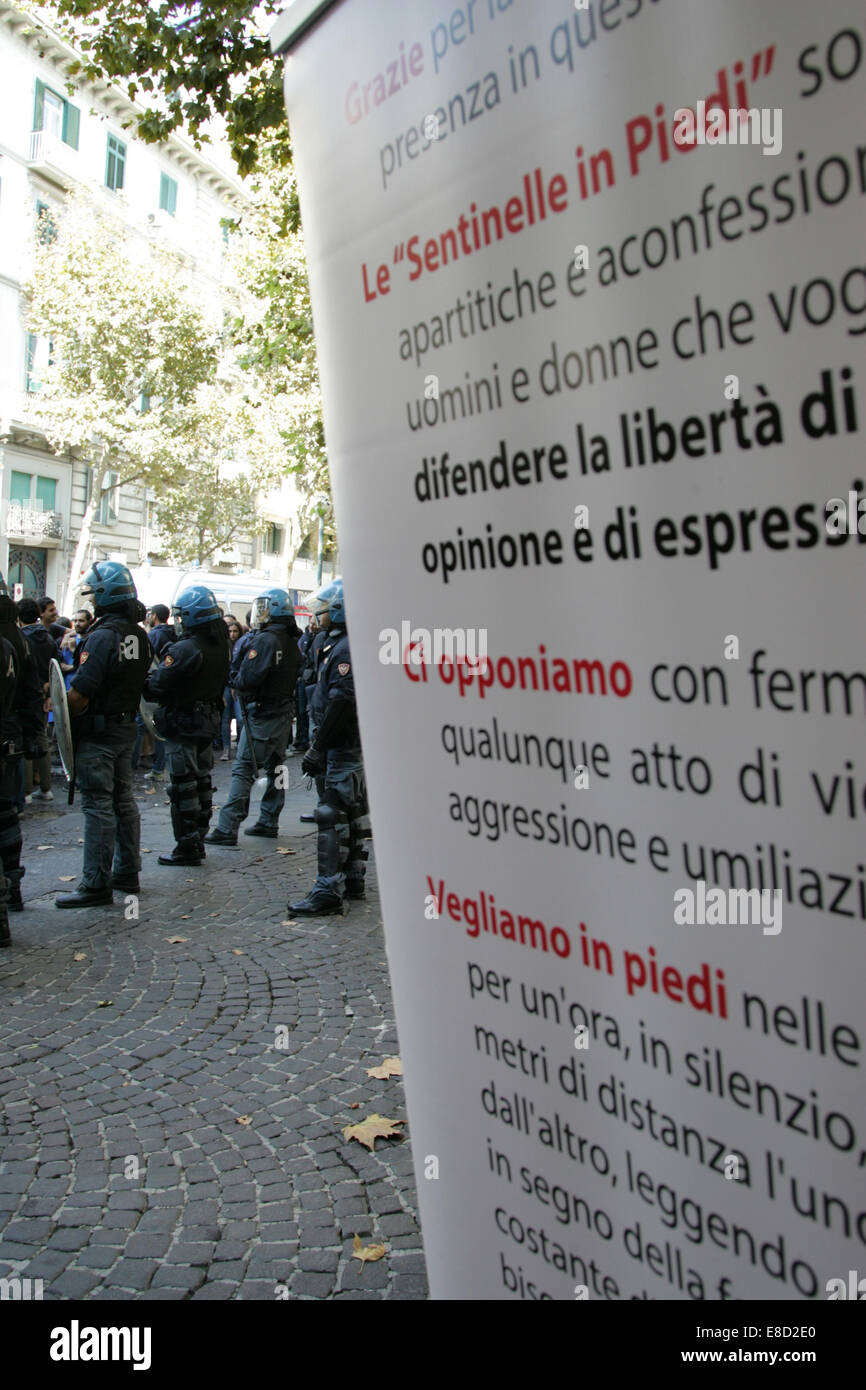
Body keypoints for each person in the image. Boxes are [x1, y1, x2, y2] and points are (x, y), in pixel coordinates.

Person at [55, 562, 151, 909]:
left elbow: (80, 695)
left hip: (99, 735)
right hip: (126, 730)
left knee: (98, 806)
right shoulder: (139, 634)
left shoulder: (100, 637)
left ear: (107, 594)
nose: (92, 600)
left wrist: (56, 706)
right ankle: (127, 873)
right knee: (124, 802)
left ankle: (96, 883)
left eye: (95, 593)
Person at [289, 579, 369, 915]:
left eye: (324, 607)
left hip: (340, 746)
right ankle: (353, 880)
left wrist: (318, 747)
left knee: (331, 813)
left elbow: (341, 701)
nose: (318, 612)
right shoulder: (341, 643)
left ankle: (327, 891)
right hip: (347, 744)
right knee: (352, 814)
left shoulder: (345, 647)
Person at [205, 589, 301, 845]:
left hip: (262, 714)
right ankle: (269, 819)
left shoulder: (265, 640)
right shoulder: (291, 640)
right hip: (281, 713)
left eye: (264, 608)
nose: (260, 614)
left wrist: (235, 679)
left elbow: (248, 677)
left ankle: (227, 827)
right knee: (277, 767)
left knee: (243, 769)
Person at [144, 585, 230, 866]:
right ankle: (199, 838)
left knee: (183, 787)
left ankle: (187, 845)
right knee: (202, 783)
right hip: (207, 723)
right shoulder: (220, 646)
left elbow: (158, 684)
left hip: (183, 724)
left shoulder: (186, 648)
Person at [0, 576, 44, 939]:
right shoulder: (19, 639)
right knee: (6, 818)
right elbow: (32, 694)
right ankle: (11, 889)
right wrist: (33, 739)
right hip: (10, 740)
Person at [18, 596, 58, 802]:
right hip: (44, 694)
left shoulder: (21, 639)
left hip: (27, 696)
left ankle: (25, 791)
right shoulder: (48, 638)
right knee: (41, 737)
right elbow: (55, 667)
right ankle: (46, 787)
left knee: (25, 740)